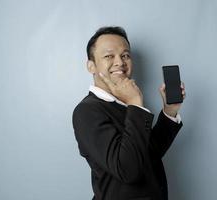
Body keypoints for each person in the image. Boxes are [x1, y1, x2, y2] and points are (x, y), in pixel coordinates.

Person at [72, 26, 186, 200]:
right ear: (91, 66)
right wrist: (134, 103)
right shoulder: (87, 111)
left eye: (125, 55)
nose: (120, 62)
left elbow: (148, 155)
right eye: (109, 56)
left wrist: (170, 111)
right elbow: (127, 169)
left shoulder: (124, 104)